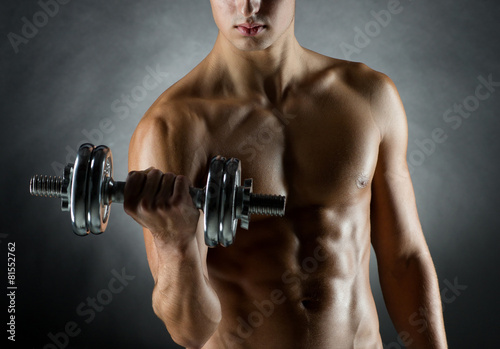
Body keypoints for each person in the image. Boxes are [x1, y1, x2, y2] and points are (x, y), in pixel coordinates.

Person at [123, 1, 448, 348]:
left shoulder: (368, 97)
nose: (248, 6)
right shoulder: (171, 130)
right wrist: (174, 244)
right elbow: (190, 332)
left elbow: (404, 260)